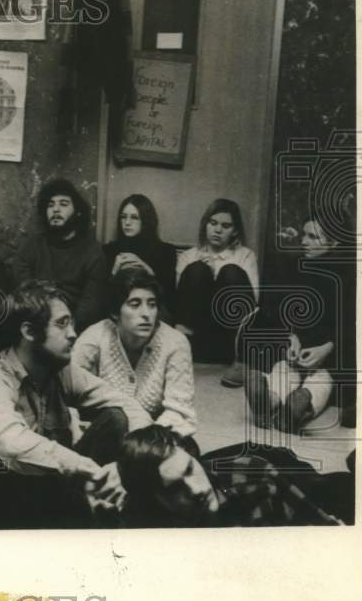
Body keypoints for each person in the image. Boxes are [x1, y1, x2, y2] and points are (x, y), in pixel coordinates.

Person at [0, 280, 151, 529]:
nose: (73, 333)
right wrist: (82, 465)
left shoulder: (60, 370)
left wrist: (132, 461)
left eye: (71, 323)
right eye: (62, 324)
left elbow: (127, 404)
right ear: (29, 332)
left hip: (55, 486)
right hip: (5, 502)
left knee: (116, 418)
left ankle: (97, 505)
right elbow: (12, 444)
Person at [245, 218, 354, 432]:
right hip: (296, 350)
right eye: (303, 235)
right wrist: (289, 337)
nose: (304, 242)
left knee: (322, 381)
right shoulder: (295, 267)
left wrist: (327, 348)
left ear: (335, 243)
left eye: (313, 237)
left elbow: (351, 323)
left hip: (331, 354)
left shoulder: (349, 277)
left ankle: (299, 409)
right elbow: (276, 310)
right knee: (284, 371)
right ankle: (268, 401)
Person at [118, 425, 347, 527]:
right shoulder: (142, 525)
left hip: (262, 461)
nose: (196, 490)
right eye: (175, 488)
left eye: (189, 469)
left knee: (322, 487)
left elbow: (322, 528)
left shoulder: (256, 477)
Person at [71, 268, 196, 439]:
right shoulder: (94, 338)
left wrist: (143, 441)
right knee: (116, 419)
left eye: (152, 304)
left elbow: (179, 412)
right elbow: (66, 395)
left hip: (151, 438)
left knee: (188, 451)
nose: (146, 314)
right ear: (115, 312)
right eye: (135, 304)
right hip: (106, 431)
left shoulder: (175, 342)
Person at [175, 199, 259, 381]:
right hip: (195, 340)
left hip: (229, 342)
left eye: (225, 225)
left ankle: (240, 360)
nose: (218, 230)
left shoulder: (245, 255)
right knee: (197, 270)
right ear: (205, 225)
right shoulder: (188, 256)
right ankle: (182, 351)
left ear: (235, 231)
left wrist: (220, 273)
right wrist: (206, 274)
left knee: (231, 272)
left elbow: (255, 300)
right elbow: (179, 299)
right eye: (213, 223)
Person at [12, 178, 109, 332]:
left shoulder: (93, 252)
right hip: (37, 323)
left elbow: (90, 306)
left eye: (63, 204)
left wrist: (66, 330)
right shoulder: (32, 245)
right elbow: (25, 291)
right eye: (51, 205)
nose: (56, 209)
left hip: (75, 330)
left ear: (77, 211)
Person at [103, 194, 178, 320]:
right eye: (123, 217)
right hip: (118, 314)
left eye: (134, 218)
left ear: (146, 220)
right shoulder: (110, 250)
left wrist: (148, 271)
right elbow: (101, 296)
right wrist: (114, 271)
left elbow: (170, 299)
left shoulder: (166, 251)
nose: (127, 223)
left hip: (152, 314)